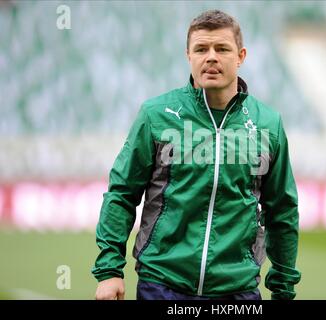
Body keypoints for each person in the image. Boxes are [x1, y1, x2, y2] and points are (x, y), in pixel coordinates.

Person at [92, 9, 301, 300]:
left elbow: (282, 211)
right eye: (201, 49)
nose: (211, 57)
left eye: (222, 49)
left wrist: (283, 288)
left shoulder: (268, 124)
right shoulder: (156, 115)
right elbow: (122, 193)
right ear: (188, 56)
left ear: (241, 56)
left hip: (237, 291)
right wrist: (109, 271)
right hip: (162, 285)